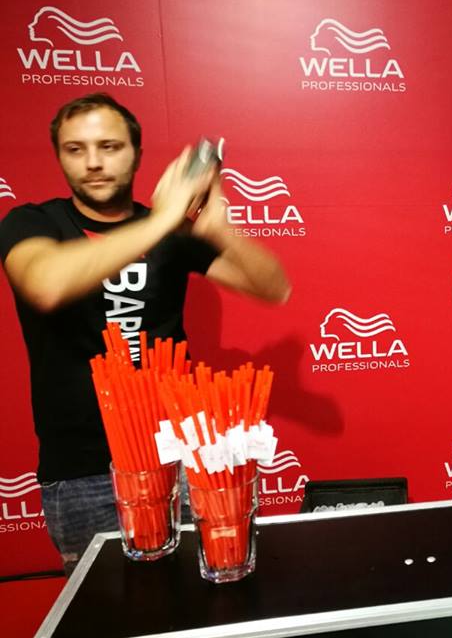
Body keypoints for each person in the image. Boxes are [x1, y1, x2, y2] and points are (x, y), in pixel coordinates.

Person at [0, 93, 291, 574]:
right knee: (111, 612)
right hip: (83, 473)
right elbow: (46, 283)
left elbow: (274, 287)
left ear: (136, 154)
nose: (93, 162)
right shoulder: (32, 223)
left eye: (109, 146)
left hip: (178, 460)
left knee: (203, 606)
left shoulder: (171, 234)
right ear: (59, 157)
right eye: (75, 149)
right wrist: (162, 221)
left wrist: (219, 231)